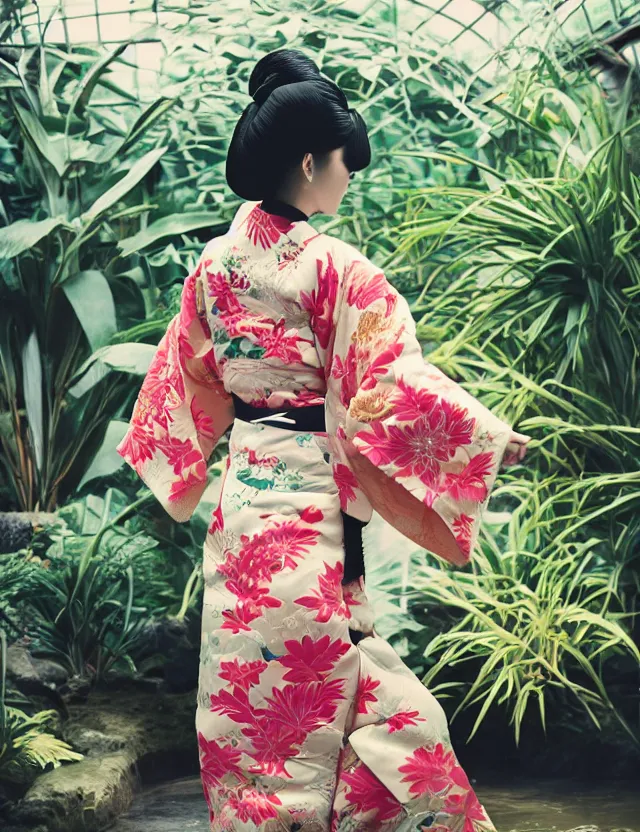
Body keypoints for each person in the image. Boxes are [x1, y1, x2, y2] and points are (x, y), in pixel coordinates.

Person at [117, 48, 530, 832]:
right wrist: (484, 436)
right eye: (347, 164)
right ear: (309, 161)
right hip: (310, 511)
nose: (350, 179)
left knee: (256, 697)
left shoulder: (212, 268)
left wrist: (188, 463)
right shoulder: (338, 270)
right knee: (344, 689)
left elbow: (188, 380)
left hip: (244, 510)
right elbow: (387, 384)